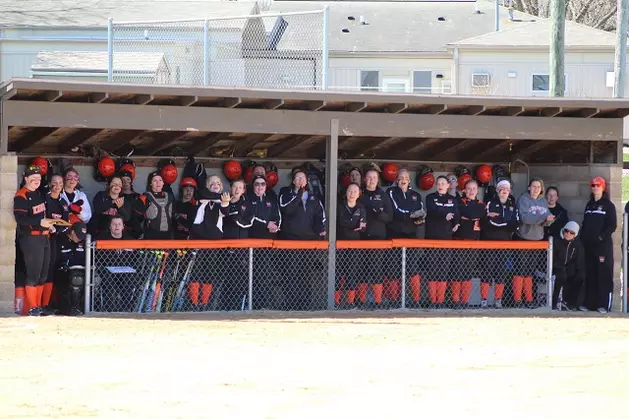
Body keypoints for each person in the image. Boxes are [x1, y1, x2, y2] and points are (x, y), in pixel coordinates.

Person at [278, 168, 327, 310]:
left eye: (302, 178)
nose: (300, 180)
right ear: (293, 181)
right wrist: (299, 195)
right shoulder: (285, 193)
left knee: (305, 273)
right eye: (297, 178)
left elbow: (320, 215)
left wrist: (320, 228)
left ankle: (305, 303)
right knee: (290, 272)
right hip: (290, 240)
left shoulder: (313, 197)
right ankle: (289, 303)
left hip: (308, 241)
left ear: (307, 181)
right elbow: (286, 209)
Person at [14, 165, 56, 316]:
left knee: (43, 274)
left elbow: (41, 217)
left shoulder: (38, 194)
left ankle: (38, 306)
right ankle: (32, 307)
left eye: (38, 178)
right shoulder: (21, 195)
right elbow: (20, 219)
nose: (36, 181)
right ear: (25, 177)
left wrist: (48, 226)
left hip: (44, 236)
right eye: (33, 178)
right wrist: (40, 223)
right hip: (30, 238)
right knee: (33, 273)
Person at [189, 175, 230, 310]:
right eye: (212, 183)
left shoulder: (221, 201)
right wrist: (220, 198)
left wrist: (224, 202)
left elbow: (225, 211)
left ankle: (204, 303)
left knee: (209, 272)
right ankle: (194, 303)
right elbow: (201, 195)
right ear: (207, 186)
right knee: (196, 271)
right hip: (198, 240)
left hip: (213, 242)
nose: (215, 185)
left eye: (218, 183)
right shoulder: (203, 198)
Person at [387, 169, 424, 307]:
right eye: (401, 177)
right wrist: (410, 215)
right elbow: (395, 210)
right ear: (397, 180)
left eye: (406, 177)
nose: (403, 179)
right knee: (393, 268)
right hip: (394, 235)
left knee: (412, 268)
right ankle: (394, 301)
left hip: (411, 235)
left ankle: (415, 301)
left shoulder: (416, 195)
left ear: (409, 180)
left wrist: (420, 218)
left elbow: (420, 211)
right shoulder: (391, 192)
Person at [514, 178, 553, 308]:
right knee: (521, 270)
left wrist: (549, 220)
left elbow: (547, 217)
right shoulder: (523, 199)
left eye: (539, 187)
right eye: (534, 186)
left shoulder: (543, 201)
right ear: (529, 187)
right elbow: (525, 217)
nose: (536, 189)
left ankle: (529, 299)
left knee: (530, 271)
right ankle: (517, 300)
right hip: (524, 237)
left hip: (537, 239)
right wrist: (543, 218)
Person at [580, 177, 616, 313]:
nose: (595, 187)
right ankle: (590, 304)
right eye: (593, 185)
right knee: (590, 274)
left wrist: (601, 237)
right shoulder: (589, 205)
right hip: (589, 246)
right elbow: (585, 223)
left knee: (603, 275)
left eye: (598, 185)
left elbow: (612, 225)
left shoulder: (608, 205)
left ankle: (603, 305)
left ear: (603, 187)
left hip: (602, 247)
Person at [482, 180, 520, 308]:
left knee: (501, 272)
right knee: (487, 271)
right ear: (497, 190)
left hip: (505, 244)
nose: (504, 191)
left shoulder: (512, 205)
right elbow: (491, 222)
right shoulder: (490, 202)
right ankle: (484, 300)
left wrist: (503, 223)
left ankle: (498, 300)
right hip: (490, 242)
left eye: (507, 189)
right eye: (502, 188)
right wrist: (506, 224)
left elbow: (516, 223)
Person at [359, 168, 393, 308]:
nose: (372, 180)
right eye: (369, 177)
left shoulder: (383, 195)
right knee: (361, 269)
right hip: (361, 237)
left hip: (378, 236)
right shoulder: (359, 194)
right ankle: (360, 301)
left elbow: (389, 216)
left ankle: (378, 302)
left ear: (378, 180)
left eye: (374, 177)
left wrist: (378, 212)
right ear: (364, 180)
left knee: (376, 269)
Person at [425, 175, 460, 308]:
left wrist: (456, 223)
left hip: (447, 238)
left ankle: (440, 301)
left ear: (448, 186)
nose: (440, 185)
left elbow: (456, 213)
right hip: (432, 237)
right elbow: (433, 210)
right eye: (438, 183)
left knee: (443, 270)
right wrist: (445, 214)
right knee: (433, 269)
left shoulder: (452, 199)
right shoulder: (430, 197)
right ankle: (433, 301)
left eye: (443, 183)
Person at [248, 174, 281, 309]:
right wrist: (266, 224)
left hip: (267, 244)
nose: (260, 186)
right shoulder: (248, 199)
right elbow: (250, 218)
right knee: (252, 276)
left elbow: (278, 216)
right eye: (257, 184)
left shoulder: (270, 200)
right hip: (251, 244)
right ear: (253, 186)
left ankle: (264, 306)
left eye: (262, 184)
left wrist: (275, 226)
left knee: (266, 275)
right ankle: (253, 305)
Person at [221, 179, 254, 311]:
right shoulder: (224, 201)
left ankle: (236, 307)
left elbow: (249, 222)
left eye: (240, 187)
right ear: (230, 187)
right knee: (224, 279)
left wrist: (235, 217)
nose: (237, 189)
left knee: (238, 279)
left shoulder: (247, 204)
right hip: (224, 247)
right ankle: (223, 307)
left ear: (244, 190)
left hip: (240, 248)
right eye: (235, 186)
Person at [452, 179, 485, 308]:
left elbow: (478, 214)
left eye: (474, 189)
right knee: (457, 271)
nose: (471, 191)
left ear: (477, 191)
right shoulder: (459, 202)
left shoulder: (482, 204)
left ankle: (465, 301)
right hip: (459, 240)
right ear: (464, 190)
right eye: (469, 189)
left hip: (474, 242)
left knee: (467, 272)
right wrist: (469, 216)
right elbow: (465, 213)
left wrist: (468, 216)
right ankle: (455, 301)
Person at [335, 183, 366, 309]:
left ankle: (350, 302)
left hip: (355, 245)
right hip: (339, 245)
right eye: (350, 190)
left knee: (351, 273)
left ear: (359, 194)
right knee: (337, 273)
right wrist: (354, 224)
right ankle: (335, 302)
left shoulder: (362, 208)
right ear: (346, 192)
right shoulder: (339, 206)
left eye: (355, 191)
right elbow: (341, 223)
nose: (352, 193)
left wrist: (354, 225)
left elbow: (363, 227)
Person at [44, 174, 69, 312]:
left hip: (57, 240)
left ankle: (49, 304)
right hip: (42, 239)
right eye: (55, 182)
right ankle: (40, 304)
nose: (58, 185)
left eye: (60, 183)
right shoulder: (44, 199)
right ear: (49, 184)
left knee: (53, 270)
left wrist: (56, 230)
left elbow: (66, 224)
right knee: (43, 271)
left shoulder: (63, 203)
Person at [55, 222, 88, 316]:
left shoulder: (85, 242)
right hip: (65, 273)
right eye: (78, 236)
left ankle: (87, 307)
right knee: (76, 279)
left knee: (96, 279)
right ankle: (73, 308)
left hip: (83, 270)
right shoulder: (61, 240)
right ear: (72, 232)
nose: (80, 238)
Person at [552, 221, 585, 310]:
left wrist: (574, 270)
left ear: (575, 235)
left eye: (572, 232)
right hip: (556, 268)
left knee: (580, 276)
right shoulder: (556, 241)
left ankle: (570, 302)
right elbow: (552, 259)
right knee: (561, 276)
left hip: (568, 268)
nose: (568, 234)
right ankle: (554, 303)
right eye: (566, 231)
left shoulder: (577, 245)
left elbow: (578, 261)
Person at [135, 171, 174, 240]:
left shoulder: (170, 197)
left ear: (163, 182)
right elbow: (135, 218)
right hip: (151, 237)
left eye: (160, 180)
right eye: (154, 180)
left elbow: (174, 216)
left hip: (168, 236)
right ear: (150, 183)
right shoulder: (145, 197)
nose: (158, 183)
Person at [120, 170, 142, 239]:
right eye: (123, 180)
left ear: (131, 181)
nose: (125, 182)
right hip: (120, 231)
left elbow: (141, 217)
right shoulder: (117, 196)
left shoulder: (138, 196)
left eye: (128, 179)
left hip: (135, 232)